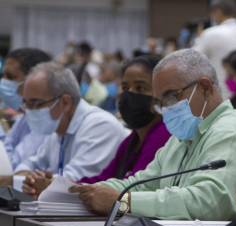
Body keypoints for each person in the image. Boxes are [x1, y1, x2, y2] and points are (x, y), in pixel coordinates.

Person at [70, 49, 236, 220]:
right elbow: (142, 183)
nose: (166, 108)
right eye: (160, 101)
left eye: (170, 96)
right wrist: (86, 193)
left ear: (204, 87)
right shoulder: (183, 138)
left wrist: (123, 202)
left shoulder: (231, 133)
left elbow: (209, 203)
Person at [0, 62, 127, 195]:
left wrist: (27, 181)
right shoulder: (57, 128)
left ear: (65, 102)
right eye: (26, 104)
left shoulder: (100, 126)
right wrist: (28, 178)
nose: (28, 111)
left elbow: (72, 183)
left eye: (35, 103)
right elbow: (30, 164)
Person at [77, 55, 171, 184]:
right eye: (125, 88)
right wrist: (64, 186)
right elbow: (104, 178)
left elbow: (133, 186)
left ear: (161, 94)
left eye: (140, 88)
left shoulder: (163, 135)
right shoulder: (131, 140)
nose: (129, 94)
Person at [193, 0, 236, 100]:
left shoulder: (210, 33)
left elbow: (192, 58)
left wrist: (198, 38)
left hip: (221, 92)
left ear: (218, 11)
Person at [0, 48, 52, 169]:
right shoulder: (27, 115)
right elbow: (7, 147)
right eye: (4, 75)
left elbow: (9, 166)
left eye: (11, 77)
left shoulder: (46, 119)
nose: (3, 82)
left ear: (34, 81)